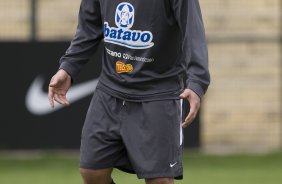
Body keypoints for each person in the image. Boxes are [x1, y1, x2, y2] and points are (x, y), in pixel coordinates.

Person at [48, 0, 210, 184]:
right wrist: (68, 68)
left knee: (160, 180)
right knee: (91, 172)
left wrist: (196, 82)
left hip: (157, 94)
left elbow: (193, 33)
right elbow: (88, 28)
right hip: (110, 91)